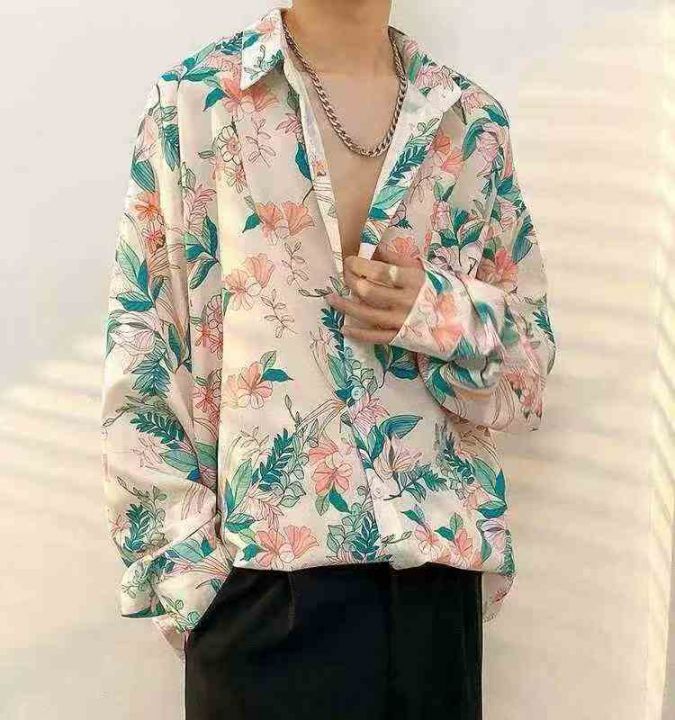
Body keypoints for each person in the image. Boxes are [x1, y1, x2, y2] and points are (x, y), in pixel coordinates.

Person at [100, 2, 557, 718]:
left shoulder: (470, 123)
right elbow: (143, 350)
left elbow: (527, 374)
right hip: (257, 587)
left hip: (431, 587)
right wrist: (193, 585)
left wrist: (438, 313)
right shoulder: (196, 103)